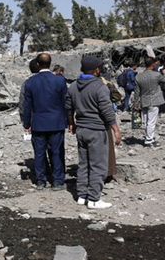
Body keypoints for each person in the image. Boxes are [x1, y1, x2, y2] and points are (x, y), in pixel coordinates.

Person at [66, 56, 122, 209]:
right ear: (96, 70)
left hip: (81, 129)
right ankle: (94, 199)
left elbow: (68, 108)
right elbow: (107, 111)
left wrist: (71, 124)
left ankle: (82, 195)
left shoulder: (73, 86)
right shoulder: (99, 86)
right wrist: (116, 130)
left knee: (84, 164)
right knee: (98, 165)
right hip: (96, 130)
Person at [22, 53, 68, 189]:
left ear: (37, 64)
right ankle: (58, 181)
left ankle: (40, 180)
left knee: (39, 153)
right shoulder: (60, 81)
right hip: (56, 122)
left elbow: (27, 106)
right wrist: (67, 119)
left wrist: (27, 123)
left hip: (38, 123)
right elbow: (65, 102)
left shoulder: (30, 82)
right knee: (57, 152)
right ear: (50, 63)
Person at [134, 57, 165, 147]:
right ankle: (149, 140)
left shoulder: (138, 76)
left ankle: (147, 137)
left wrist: (136, 103)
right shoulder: (156, 75)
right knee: (151, 121)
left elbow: (137, 92)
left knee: (145, 121)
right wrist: (164, 73)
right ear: (153, 64)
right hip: (154, 100)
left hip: (143, 100)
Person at [19, 58, 41, 124]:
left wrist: (24, 120)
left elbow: (22, 103)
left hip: (34, 120)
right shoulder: (52, 81)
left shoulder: (26, 83)